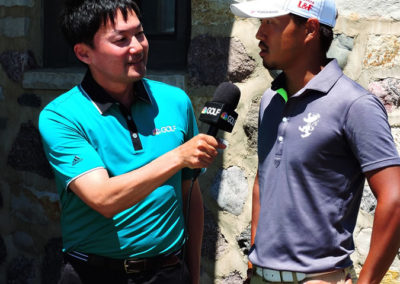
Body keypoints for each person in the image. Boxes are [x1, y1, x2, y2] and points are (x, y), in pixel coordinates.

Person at [39, 0, 224, 283]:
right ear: (83, 53)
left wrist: (193, 273)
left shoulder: (175, 101)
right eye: (121, 40)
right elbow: (103, 198)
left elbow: (190, 194)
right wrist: (177, 157)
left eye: (140, 34)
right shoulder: (61, 117)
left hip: (169, 271)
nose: (137, 47)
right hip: (94, 274)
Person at [230, 0, 400, 283]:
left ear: (310, 29)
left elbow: (394, 198)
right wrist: (254, 261)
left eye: (270, 23)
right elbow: (264, 180)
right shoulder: (270, 100)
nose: (259, 34)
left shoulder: (355, 104)